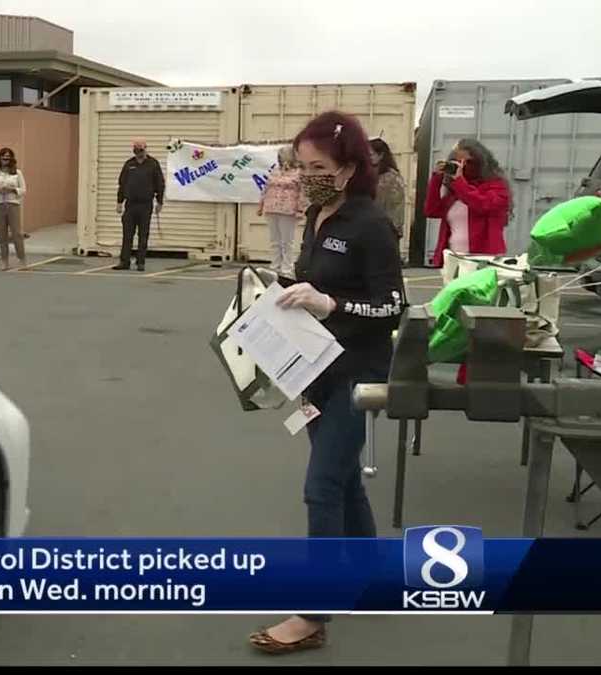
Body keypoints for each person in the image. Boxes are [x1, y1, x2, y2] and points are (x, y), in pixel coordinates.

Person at [248, 111, 406, 655]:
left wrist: (332, 302)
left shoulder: (370, 223)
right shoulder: (318, 213)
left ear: (347, 169)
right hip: (316, 368)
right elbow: (313, 279)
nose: (306, 174)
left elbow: (392, 306)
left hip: (359, 372)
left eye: (317, 166)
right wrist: (278, 285)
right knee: (343, 482)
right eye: (301, 164)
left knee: (321, 487)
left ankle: (313, 615)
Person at [424, 138, 510, 267]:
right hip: (453, 260)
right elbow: (432, 210)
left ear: (482, 162)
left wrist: (459, 182)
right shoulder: (455, 192)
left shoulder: (496, 186)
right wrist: (437, 178)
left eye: (469, 162)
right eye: (458, 162)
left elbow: (482, 205)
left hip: (483, 260)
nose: (463, 167)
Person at [257, 145, 308, 282]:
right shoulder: (274, 171)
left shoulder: (298, 173)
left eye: (283, 156)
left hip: (288, 209)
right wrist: (261, 205)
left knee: (287, 241)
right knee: (275, 240)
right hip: (271, 208)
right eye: (280, 156)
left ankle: (286, 268)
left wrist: (300, 209)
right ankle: (275, 266)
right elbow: (266, 189)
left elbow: (302, 193)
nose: (280, 159)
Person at [115, 138, 165, 271]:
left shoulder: (153, 164)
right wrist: (119, 202)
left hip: (145, 204)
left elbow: (160, 184)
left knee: (143, 235)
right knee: (127, 234)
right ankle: (124, 262)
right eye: (136, 150)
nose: (138, 153)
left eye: (141, 150)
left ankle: (140, 262)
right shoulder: (129, 164)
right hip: (130, 205)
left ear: (145, 149)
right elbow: (122, 184)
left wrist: (159, 202)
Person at [0, 147, 28, 271]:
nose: (5, 159)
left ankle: (22, 260)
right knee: (2, 235)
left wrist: (12, 189)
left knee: (17, 233)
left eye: (8, 157)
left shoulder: (17, 173)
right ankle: (4, 261)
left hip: (12, 204)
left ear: (11, 159)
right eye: (3, 157)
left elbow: (23, 190)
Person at [369, 138, 406, 242]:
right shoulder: (372, 175)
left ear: (380, 155)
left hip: (385, 232)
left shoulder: (390, 178)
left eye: (370, 155)